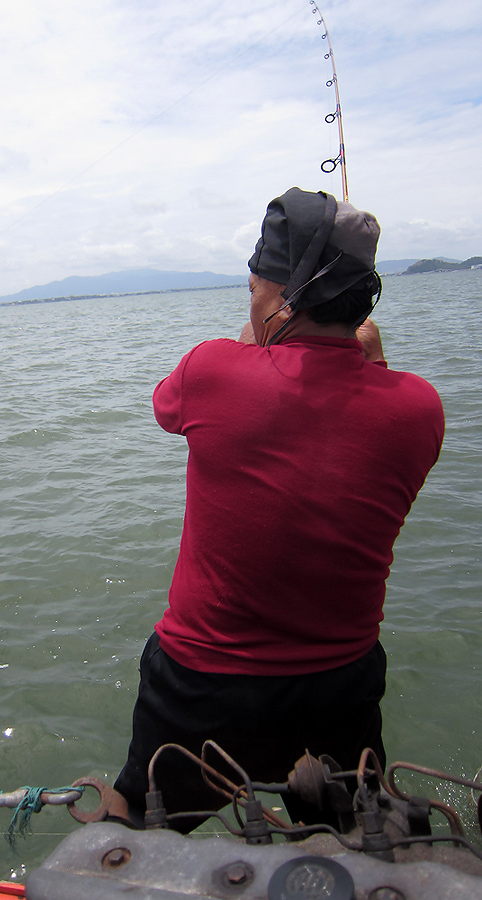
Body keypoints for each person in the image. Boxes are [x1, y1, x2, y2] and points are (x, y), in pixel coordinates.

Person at [114, 186, 445, 829]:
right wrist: (372, 362)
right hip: (339, 688)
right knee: (353, 832)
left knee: (141, 829)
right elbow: (367, 431)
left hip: (200, 685)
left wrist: (250, 342)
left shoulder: (211, 369)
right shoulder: (421, 408)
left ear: (287, 294)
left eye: (253, 291)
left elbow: (166, 407)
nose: (251, 301)